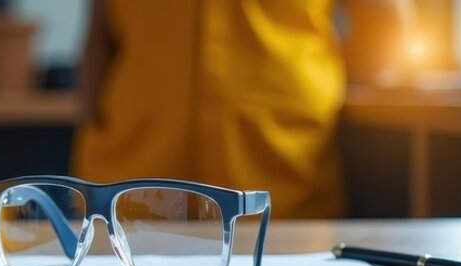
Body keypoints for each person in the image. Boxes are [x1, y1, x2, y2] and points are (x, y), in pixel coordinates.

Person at [73, 0, 415, 218]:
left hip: (283, 172)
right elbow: (100, 32)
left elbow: (383, 22)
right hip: (131, 172)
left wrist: (331, 91)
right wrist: (92, 113)